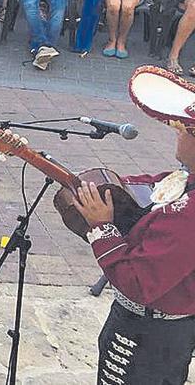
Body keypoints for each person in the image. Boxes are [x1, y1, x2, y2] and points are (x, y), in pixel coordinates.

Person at [54, 66, 195, 384]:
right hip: (147, 327)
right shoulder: (187, 177)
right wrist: (109, 189)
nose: (178, 131)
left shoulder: (190, 214)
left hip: (151, 335)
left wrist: (100, 227)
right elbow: (154, 187)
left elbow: (138, 283)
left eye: (185, 129)